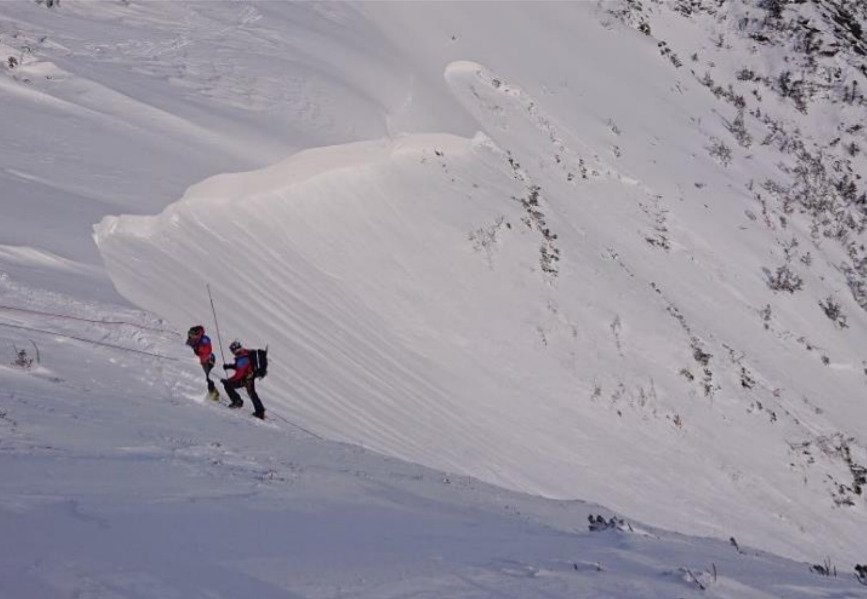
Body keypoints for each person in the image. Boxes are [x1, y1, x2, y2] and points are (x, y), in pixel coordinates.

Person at [221, 340, 266, 419]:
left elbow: (239, 374)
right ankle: (260, 411)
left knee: (228, 385)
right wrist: (229, 366)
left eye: (232, 350)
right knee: (252, 393)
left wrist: (229, 380)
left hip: (246, 378)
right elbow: (241, 367)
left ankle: (237, 401)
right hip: (250, 376)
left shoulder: (242, 358)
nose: (233, 352)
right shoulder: (246, 353)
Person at [186, 325, 219, 400]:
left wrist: (199, 349)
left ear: (198, 334)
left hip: (208, 361)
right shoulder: (190, 340)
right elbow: (186, 349)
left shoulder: (204, 340)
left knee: (206, 377)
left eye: (192, 335)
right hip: (199, 361)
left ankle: (214, 393)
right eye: (189, 334)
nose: (190, 336)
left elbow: (208, 350)